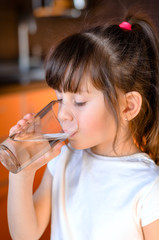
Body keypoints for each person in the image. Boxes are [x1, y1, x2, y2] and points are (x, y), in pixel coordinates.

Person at [7, 10, 159, 240]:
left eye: (79, 102)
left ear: (128, 107)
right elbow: (24, 235)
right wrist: (22, 172)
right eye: (59, 100)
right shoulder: (62, 160)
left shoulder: (149, 189)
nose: (63, 115)